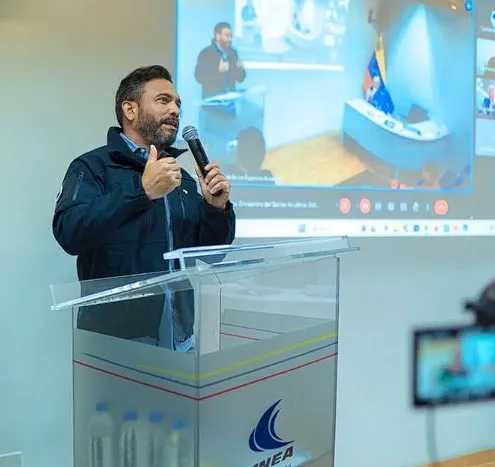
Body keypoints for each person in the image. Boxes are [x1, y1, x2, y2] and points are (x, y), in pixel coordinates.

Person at [52, 65, 236, 351]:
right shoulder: (92, 167)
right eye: (163, 100)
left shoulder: (180, 178)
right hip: (116, 341)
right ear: (130, 109)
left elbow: (211, 254)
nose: (175, 110)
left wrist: (217, 209)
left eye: (178, 104)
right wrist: (141, 190)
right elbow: (69, 232)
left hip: (180, 338)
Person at [195, 22, 246, 99]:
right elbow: (199, 77)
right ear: (217, 36)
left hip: (230, 101)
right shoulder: (206, 53)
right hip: (212, 101)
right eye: (227, 35)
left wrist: (240, 70)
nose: (230, 39)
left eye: (231, 36)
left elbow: (240, 79)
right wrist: (217, 70)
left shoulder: (233, 53)